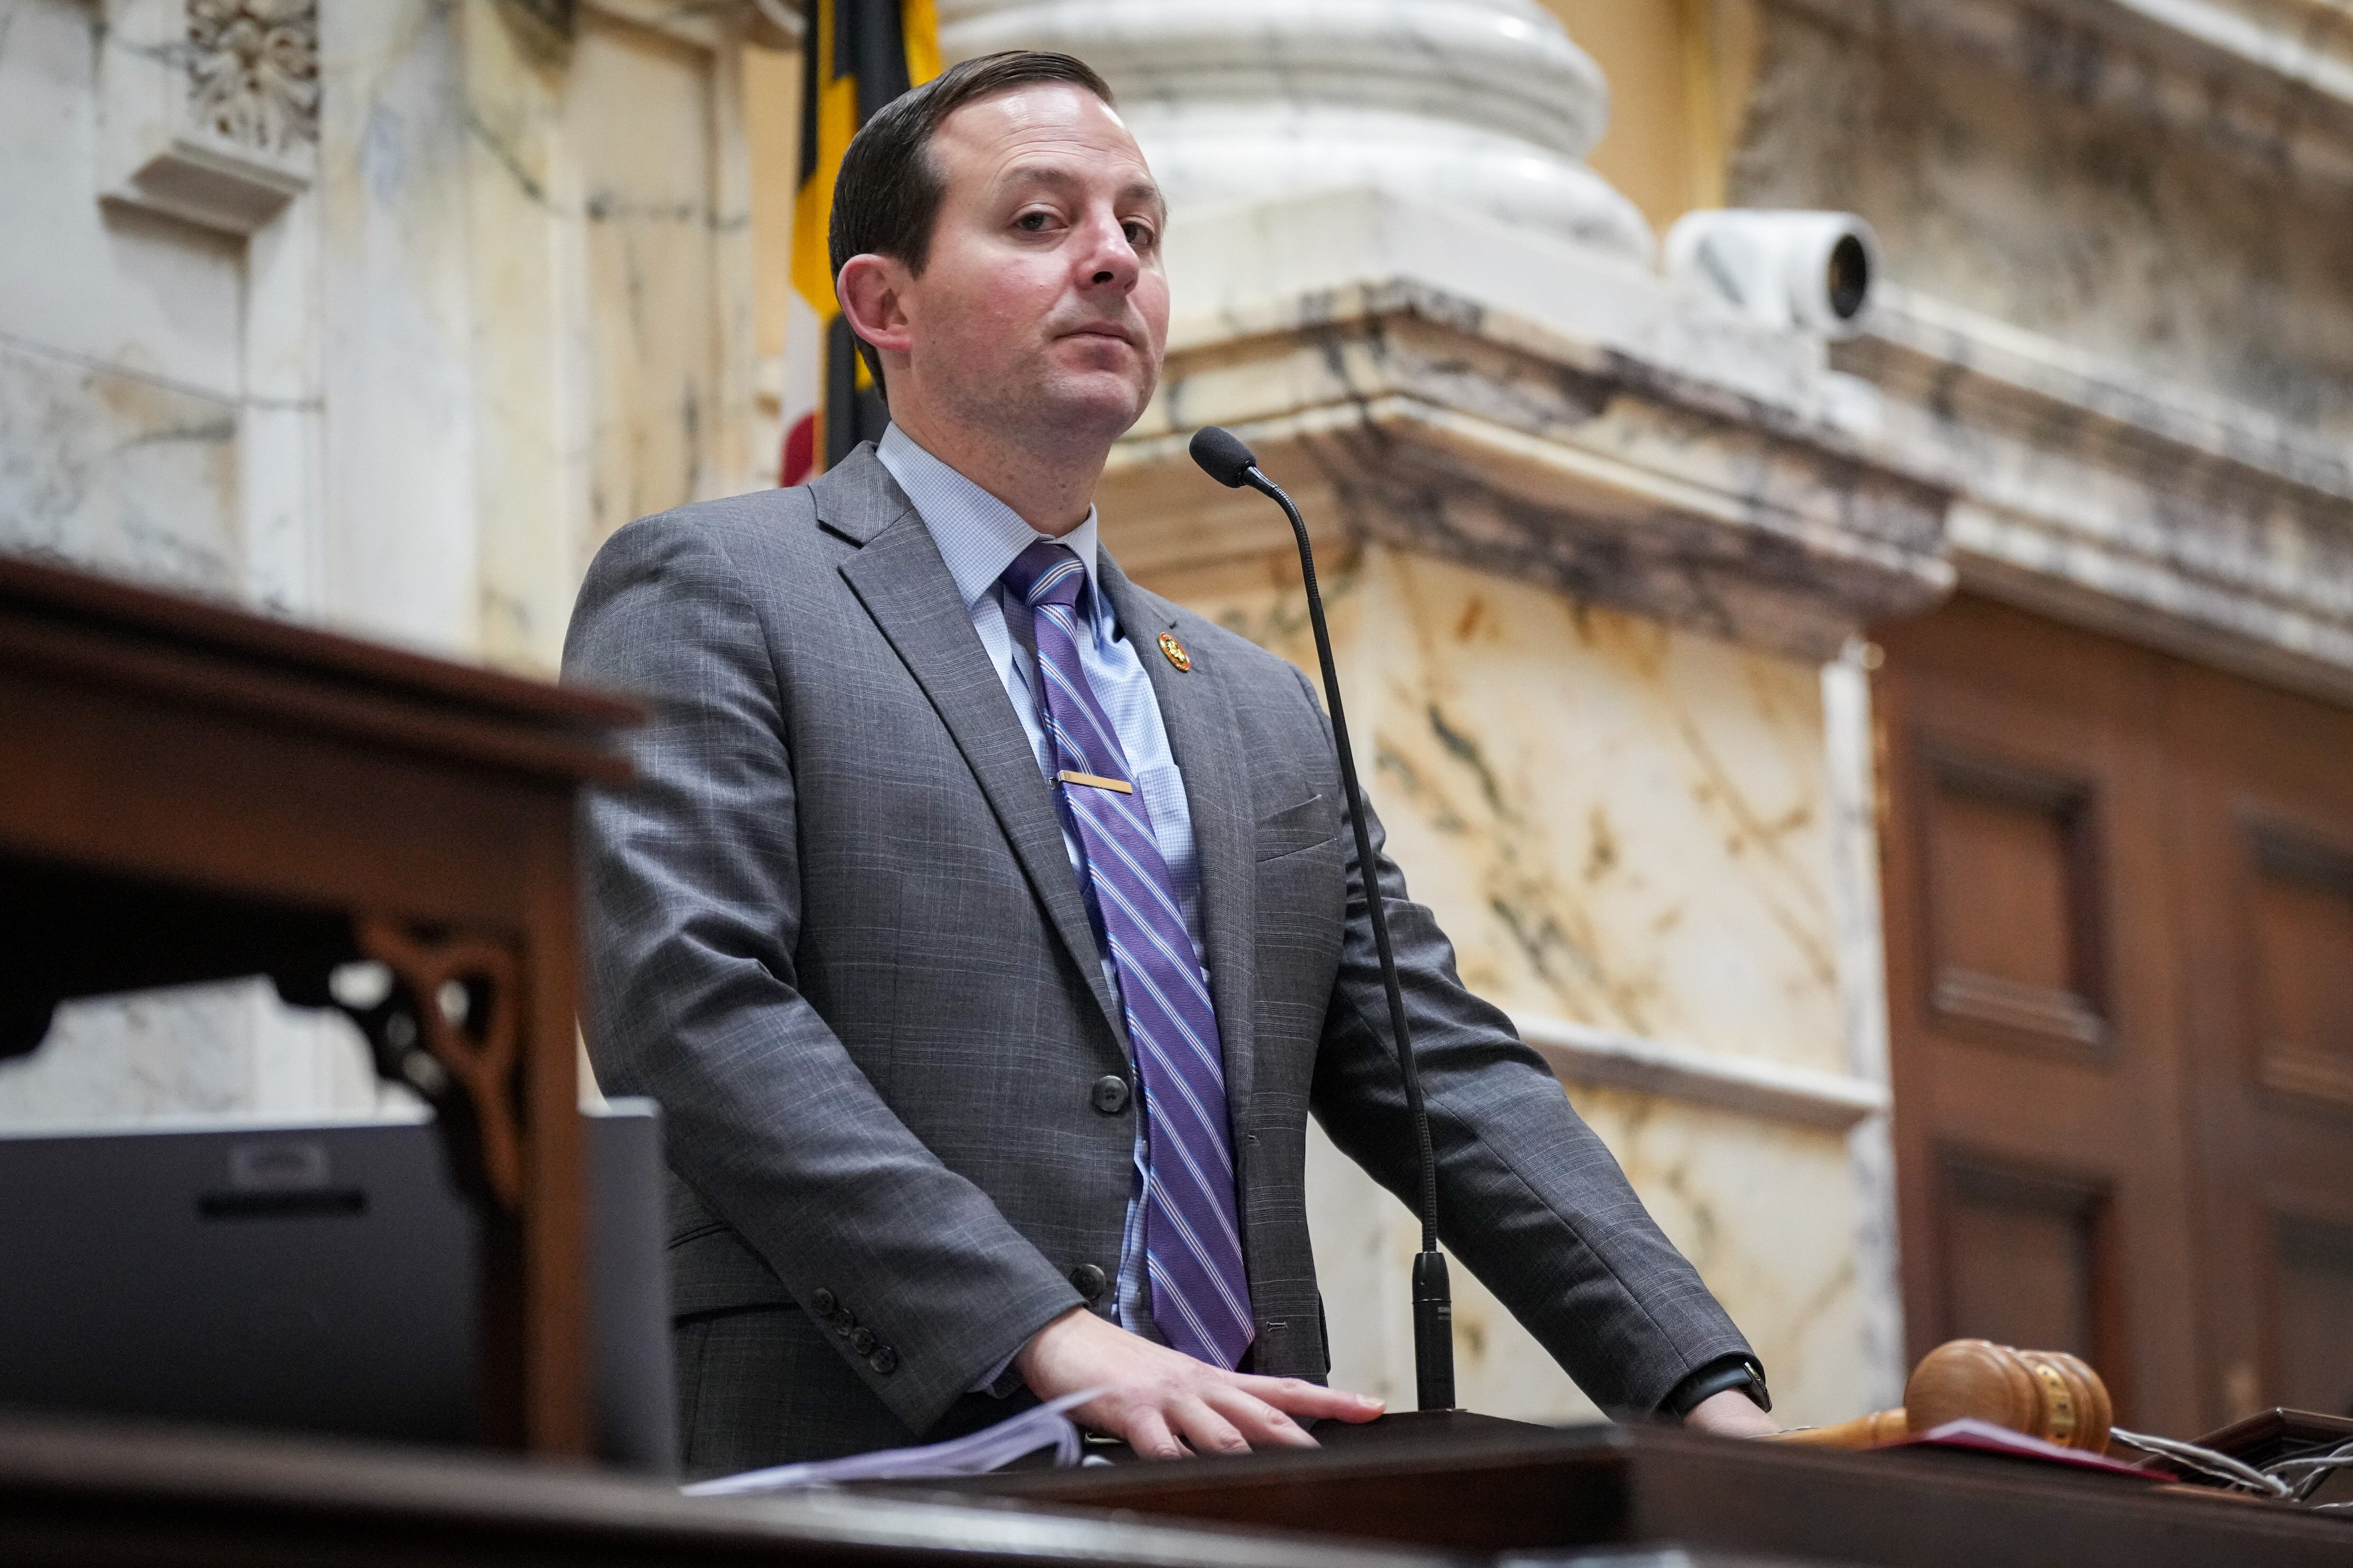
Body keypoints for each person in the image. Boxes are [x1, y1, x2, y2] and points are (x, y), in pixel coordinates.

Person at [563, 50, 1777, 1476]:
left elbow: (1439, 1068)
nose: (1109, 263)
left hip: (1239, 1471)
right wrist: (1042, 1332)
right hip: (856, 1452)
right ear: (881, 305)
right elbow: (689, 1007)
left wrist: (1702, 1389)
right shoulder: (721, 587)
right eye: (1037, 223)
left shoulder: (1253, 706)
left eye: (1139, 231)